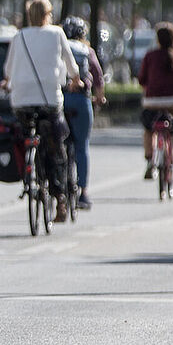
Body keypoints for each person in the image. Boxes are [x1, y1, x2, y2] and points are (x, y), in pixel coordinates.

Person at [2, 0, 81, 222]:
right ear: (49, 14)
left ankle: (28, 170)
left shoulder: (19, 36)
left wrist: (8, 82)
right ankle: (60, 198)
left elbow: (8, 71)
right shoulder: (57, 34)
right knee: (56, 148)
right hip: (49, 100)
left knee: (26, 135)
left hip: (21, 101)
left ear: (28, 15)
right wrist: (76, 80)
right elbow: (71, 65)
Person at [138, 22, 173, 178]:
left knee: (148, 129)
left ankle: (150, 161)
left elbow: (141, 80)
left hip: (151, 102)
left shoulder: (150, 56)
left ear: (157, 39)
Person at [61, 17, 107, 210]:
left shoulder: (60, 48)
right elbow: (98, 79)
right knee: (82, 146)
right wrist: (99, 98)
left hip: (61, 99)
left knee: (59, 143)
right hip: (81, 100)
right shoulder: (87, 51)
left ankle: (59, 188)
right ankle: (83, 193)